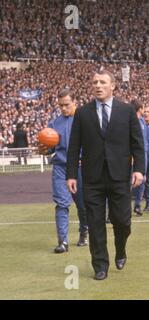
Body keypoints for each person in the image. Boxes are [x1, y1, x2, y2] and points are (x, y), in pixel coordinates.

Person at [66, 70, 145, 281]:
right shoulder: (82, 113)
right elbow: (74, 146)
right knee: (95, 223)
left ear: (113, 86)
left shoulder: (127, 111)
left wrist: (139, 169)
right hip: (92, 178)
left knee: (122, 222)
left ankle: (121, 249)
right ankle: (100, 265)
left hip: (119, 176)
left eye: (102, 82)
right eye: (94, 82)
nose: (98, 85)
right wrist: (71, 174)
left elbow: (138, 144)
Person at [38, 88, 88, 253]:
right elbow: (50, 149)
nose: (64, 108)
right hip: (60, 167)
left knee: (83, 205)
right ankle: (63, 242)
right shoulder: (54, 124)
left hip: (81, 167)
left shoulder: (86, 120)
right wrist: (44, 149)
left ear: (75, 102)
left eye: (66, 105)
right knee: (61, 204)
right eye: (61, 106)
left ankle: (84, 232)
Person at [131, 99, 148, 216]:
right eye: (143, 108)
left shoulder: (142, 121)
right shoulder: (129, 121)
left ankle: (137, 205)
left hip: (142, 155)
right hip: (131, 155)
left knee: (142, 180)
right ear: (140, 109)